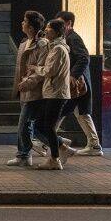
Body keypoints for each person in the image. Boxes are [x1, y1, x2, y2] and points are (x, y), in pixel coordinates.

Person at [28, 18, 73, 172]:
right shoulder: (55, 46)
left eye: (48, 28)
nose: (45, 30)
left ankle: (55, 159)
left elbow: (49, 71)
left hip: (56, 93)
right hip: (53, 92)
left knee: (47, 126)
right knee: (42, 125)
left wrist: (35, 68)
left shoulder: (58, 49)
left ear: (56, 31)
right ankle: (61, 147)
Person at [54, 10, 102, 156]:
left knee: (61, 110)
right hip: (77, 84)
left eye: (61, 24)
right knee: (80, 113)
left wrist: (73, 76)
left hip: (77, 84)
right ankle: (94, 145)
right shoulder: (67, 37)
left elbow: (84, 57)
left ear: (69, 24)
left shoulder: (73, 38)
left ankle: (46, 139)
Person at [7, 11, 48, 168]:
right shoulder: (25, 42)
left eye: (24, 21)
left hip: (34, 90)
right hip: (23, 89)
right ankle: (60, 146)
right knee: (30, 125)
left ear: (31, 27)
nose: (21, 23)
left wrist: (28, 83)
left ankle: (23, 155)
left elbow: (41, 69)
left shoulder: (42, 44)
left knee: (24, 124)